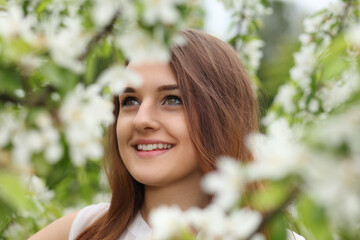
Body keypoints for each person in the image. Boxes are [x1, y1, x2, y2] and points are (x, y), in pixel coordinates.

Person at [29, 29, 302, 240]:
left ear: (223, 115)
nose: (142, 120)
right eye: (130, 101)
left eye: (172, 99)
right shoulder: (83, 230)